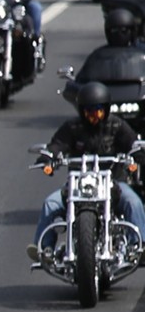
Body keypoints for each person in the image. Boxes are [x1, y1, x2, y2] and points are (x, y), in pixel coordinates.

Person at [29, 82, 145, 259]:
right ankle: (44, 249)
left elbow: (132, 144)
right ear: (82, 111)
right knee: (50, 203)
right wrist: (48, 159)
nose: (93, 115)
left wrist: (137, 156)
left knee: (133, 202)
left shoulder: (116, 125)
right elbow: (57, 145)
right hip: (77, 184)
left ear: (105, 109)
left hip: (113, 183)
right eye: (89, 111)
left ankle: (139, 245)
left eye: (98, 110)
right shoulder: (72, 127)